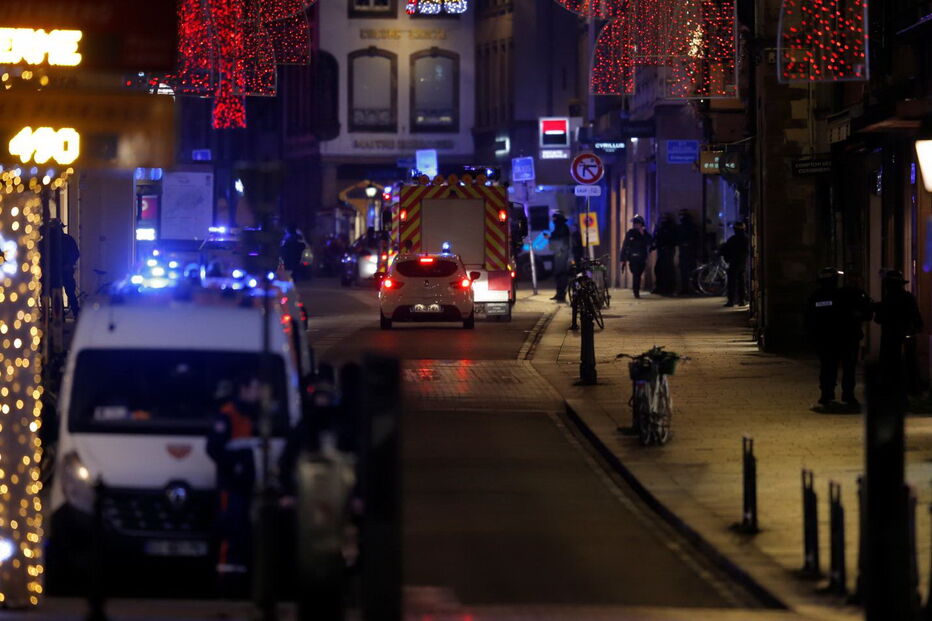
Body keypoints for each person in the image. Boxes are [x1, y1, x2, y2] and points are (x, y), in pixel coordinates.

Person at [206, 377, 262, 593]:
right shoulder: (228, 415)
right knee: (230, 530)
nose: (258, 393)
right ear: (244, 389)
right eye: (255, 388)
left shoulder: (252, 414)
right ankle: (226, 581)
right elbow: (214, 448)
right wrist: (235, 466)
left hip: (246, 486)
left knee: (244, 533)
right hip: (231, 486)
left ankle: (241, 579)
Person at [806, 268, 873, 408]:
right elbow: (865, 312)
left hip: (829, 339)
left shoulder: (817, 297)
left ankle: (828, 395)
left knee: (829, 367)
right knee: (846, 368)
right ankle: (845, 395)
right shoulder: (846, 294)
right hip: (845, 338)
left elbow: (809, 319)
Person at [874, 269, 924, 391]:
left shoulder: (888, 299)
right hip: (905, 335)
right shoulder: (907, 298)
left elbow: (879, 319)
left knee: (891, 363)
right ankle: (911, 388)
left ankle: (893, 388)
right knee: (909, 363)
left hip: (891, 336)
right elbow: (916, 317)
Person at [620, 216, 652, 298]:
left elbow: (650, 242)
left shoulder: (645, 233)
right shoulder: (630, 233)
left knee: (638, 274)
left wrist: (642, 233)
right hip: (633, 258)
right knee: (636, 274)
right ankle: (636, 292)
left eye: (638, 223)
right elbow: (625, 245)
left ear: (641, 224)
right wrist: (623, 259)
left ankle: (636, 290)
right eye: (635, 223)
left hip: (641, 258)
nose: (636, 225)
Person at [720, 221, 749, 307]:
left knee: (732, 282)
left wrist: (727, 259)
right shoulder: (746, 239)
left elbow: (725, 250)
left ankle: (731, 301)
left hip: (733, 263)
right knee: (742, 282)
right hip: (743, 263)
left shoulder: (732, 239)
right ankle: (742, 300)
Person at [547, 212, 571, 302]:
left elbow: (560, 241)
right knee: (558, 275)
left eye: (555, 220)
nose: (554, 222)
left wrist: (551, 238)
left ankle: (561, 295)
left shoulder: (562, 228)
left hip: (561, 254)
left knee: (561, 274)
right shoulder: (560, 228)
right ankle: (559, 294)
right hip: (559, 254)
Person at [652, 213, 677, 295]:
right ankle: (661, 287)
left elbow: (670, 240)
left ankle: (668, 288)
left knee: (667, 270)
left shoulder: (670, 228)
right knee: (659, 269)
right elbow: (657, 238)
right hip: (662, 250)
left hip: (668, 250)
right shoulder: (661, 228)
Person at [676, 210, 698, 294]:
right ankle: (688, 288)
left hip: (688, 251)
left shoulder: (686, 227)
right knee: (687, 271)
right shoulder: (686, 227)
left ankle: (688, 288)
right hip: (687, 251)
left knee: (687, 271)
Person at [60, 226, 81, 317]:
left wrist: (69, 264)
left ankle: (62, 315)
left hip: (62, 271)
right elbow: (76, 253)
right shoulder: (68, 239)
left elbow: (76, 253)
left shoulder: (66, 239)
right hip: (65, 270)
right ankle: (75, 313)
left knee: (68, 292)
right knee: (70, 292)